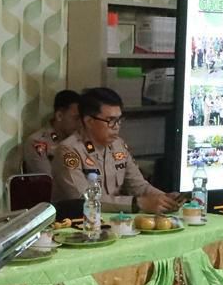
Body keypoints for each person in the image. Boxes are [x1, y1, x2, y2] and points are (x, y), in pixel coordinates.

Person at [52, 87, 180, 214]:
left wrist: (164, 198)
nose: (116, 127)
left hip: (114, 219)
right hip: (76, 221)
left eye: (119, 120)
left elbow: (139, 186)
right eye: (110, 121)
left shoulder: (118, 145)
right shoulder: (68, 150)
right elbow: (82, 199)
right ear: (89, 121)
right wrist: (137, 203)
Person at [22, 89, 81, 175]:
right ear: (59, 116)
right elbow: (48, 178)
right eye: (76, 118)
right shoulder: (38, 142)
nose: (80, 123)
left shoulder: (79, 139)